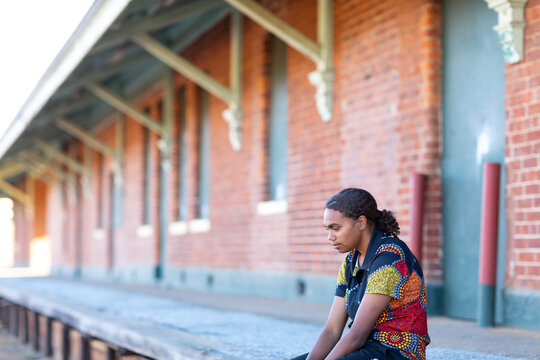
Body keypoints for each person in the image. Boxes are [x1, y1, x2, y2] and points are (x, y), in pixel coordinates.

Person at [292, 188, 430, 360]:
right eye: (327, 229)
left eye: (336, 228)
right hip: (366, 348)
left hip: (397, 352)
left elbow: (357, 335)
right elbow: (332, 329)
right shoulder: (351, 260)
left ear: (361, 223)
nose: (330, 236)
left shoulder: (390, 257)